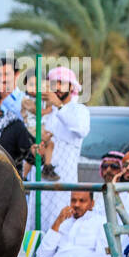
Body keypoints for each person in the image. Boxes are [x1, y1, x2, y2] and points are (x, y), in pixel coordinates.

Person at [33, 66, 90, 231]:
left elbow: (81, 129)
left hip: (63, 182)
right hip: (42, 180)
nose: (56, 87)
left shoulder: (79, 110)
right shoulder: (47, 113)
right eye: (53, 83)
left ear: (71, 86)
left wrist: (59, 106)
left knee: (60, 228)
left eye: (61, 83)